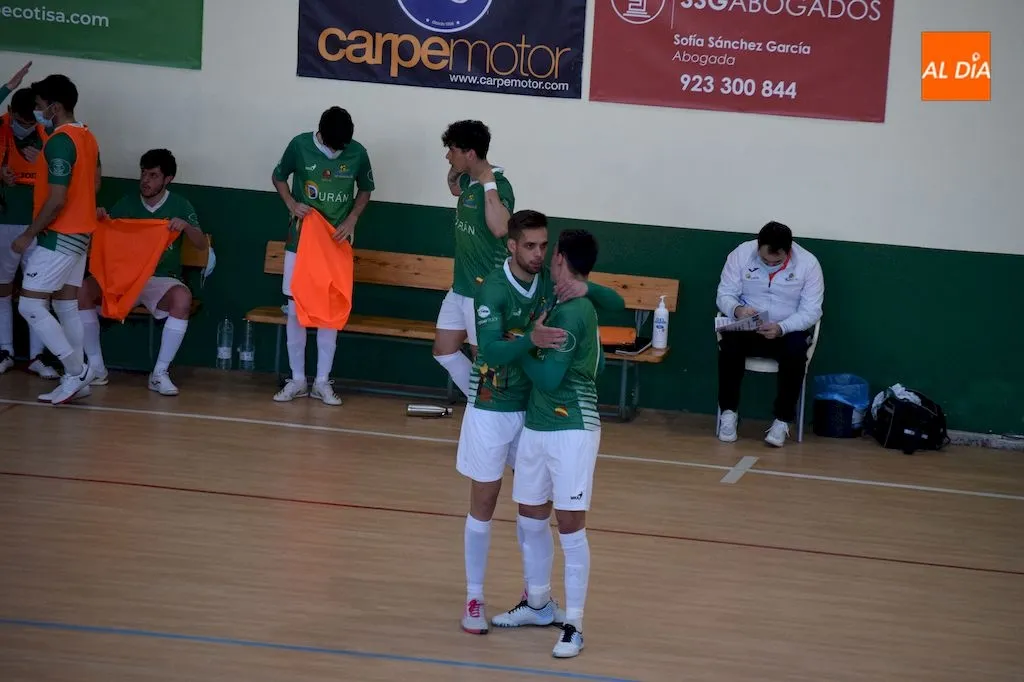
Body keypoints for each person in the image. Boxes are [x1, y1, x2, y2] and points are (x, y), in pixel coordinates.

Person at [457, 211, 624, 636]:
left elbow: (616, 304)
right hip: (492, 407)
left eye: (543, 246)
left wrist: (587, 287)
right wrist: (530, 340)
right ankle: (474, 597)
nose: (537, 254)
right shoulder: (492, 289)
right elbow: (489, 352)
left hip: (534, 413)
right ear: (511, 245)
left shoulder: (552, 282)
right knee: (484, 503)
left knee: (533, 511)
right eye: (529, 246)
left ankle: (538, 598)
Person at [503, 229, 607, 659]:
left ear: (560, 257)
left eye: (551, 251)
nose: (544, 256)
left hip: (572, 430)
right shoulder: (558, 298)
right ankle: (538, 603)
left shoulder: (576, 311)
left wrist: (522, 345)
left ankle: (575, 626)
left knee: (570, 526)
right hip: (537, 426)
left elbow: (548, 377)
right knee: (530, 518)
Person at [78, 149, 207, 395]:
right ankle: (96, 367)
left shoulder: (180, 204)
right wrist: (99, 219)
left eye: (153, 175)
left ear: (168, 179)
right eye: (143, 174)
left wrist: (187, 227)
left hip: (160, 279)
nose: (145, 180)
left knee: (183, 299)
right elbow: (105, 238)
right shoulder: (126, 203)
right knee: (83, 290)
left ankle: (159, 373)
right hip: (124, 277)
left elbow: (201, 244)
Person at [271, 106, 374, 406]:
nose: (337, 151)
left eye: (342, 147)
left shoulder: (358, 152)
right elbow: (278, 177)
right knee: (296, 309)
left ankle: (322, 381)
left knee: (330, 310)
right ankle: (297, 379)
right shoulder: (299, 145)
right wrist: (291, 203)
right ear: (321, 134)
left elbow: (366, 189)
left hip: (336, 242)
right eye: (333, 146)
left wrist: (352, 218)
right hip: (301, 241)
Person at [13, 74, 101, 404]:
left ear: (55, 107)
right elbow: (94, 183)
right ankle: (78, 381)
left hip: (60, 235)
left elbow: (57, 199)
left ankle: (76, 371)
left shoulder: (60, 141)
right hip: (81, 233)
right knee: (66, 306)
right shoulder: (87, 136)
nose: (37, 112)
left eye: (39, 106)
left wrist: (28, 234)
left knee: (30, 304)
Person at [714, 221, 824, 447]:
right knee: (729, 347)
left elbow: (812, 311)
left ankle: (782, 420)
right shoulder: (740, 254)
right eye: (765, 261)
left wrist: (782, 327)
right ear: (758, 247)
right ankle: (728, 413)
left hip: (786, 330)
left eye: (777, 262)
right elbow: (724, 294)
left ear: (789, 251)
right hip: (748, 326)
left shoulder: (809, 264)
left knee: (796, 352)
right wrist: (737, 309)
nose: (770, 265)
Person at [434, 120, 513, 399]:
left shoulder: (499, 186)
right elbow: (454, 188)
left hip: (484, 291)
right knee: (444, 350)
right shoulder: (468, 181)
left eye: (452, 150)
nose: (448, 156)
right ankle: (480, 401)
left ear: (470, 153)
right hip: (460, 288)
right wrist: (457, 171)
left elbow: (500, 228)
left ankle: (495, 406)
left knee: (485, 360)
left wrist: (488, 182)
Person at [0, 62, 58, 379]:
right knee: (2, 288)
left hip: (39, 224)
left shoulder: (48, 135)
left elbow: (65, 181)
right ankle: (5, 351)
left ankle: (37, 356)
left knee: (37, 291)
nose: (26, 126)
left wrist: (42, 164)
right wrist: (8, 86)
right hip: (5, 220)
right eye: (20, 121)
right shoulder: (0, 127)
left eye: (30, 121)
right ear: (10, 112)